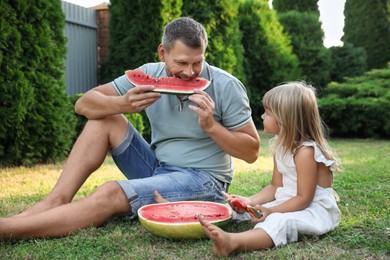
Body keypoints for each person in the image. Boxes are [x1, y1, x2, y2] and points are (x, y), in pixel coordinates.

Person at [0, 17, 260, 239]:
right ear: (162, 53)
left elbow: (252, 151)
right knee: (105, 117)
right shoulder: (149, 73)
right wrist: (121, 103)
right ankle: (56, 199)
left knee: (112, 191)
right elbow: (84, 104)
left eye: (197, 63)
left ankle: (6, 230)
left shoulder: (227, 86)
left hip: (204, 181)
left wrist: (211, 126)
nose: (190, 73)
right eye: (181, 63)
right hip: (157, 167)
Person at [198, 82, 341, 257]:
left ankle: (233, 242)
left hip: (313, 210)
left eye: (267, 112)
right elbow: (275, 187)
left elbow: (304, 199)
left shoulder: (306, 152)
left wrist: (271, 211)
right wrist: (248, 202)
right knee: (241, 213)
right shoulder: (281, 146)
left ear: (283, 119)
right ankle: (191, 219)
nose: (262, 115)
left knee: (278, 221)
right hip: (289, 202)